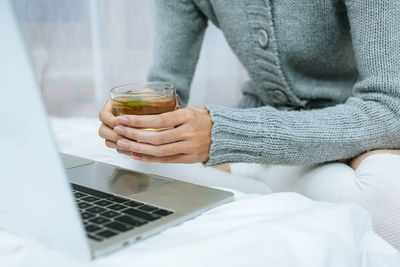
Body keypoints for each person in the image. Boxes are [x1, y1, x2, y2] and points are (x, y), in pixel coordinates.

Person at [98, 0, 400, 248]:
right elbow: (166, 86)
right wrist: (135, 120)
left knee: (388, 200)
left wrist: (227, 134)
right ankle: (268, 178)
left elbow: (390, 108)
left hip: (354, 133)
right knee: (121, 164)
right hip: (251, 142)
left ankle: (260, 178)